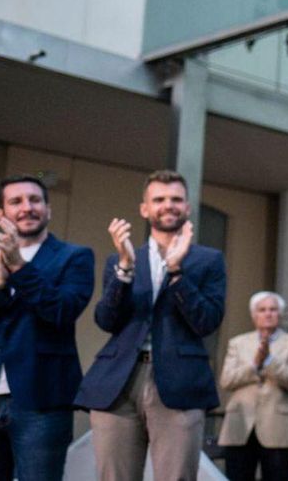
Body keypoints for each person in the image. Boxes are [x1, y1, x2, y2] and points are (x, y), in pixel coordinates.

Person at [75, 170, 227, 481]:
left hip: (180, 382)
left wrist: (176, 271)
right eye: (158, 199)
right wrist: (125, 270)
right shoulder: (123, 258)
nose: (167, 205)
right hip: (118, 384)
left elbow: (207, 322)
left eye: (175, 199)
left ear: (187, 208)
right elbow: (106, 320)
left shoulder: (207, 260)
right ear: (145, 209)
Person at [0, 175, 95, 480]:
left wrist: (19, 268)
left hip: (42, 399)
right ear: (1, 214)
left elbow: (62, 310)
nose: (27, 207)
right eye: (16, 201)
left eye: (35, 200)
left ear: (48, 209)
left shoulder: (74, 257)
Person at [219, 291, 288, 481]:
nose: (268, 314)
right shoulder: (238, 343)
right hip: (240, 426)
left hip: (277, 427)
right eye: (262, 310)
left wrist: (268, 361)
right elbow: (227, 380)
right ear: (253, 315)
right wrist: (254, 365)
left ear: (280, 314)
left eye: (273, 309)